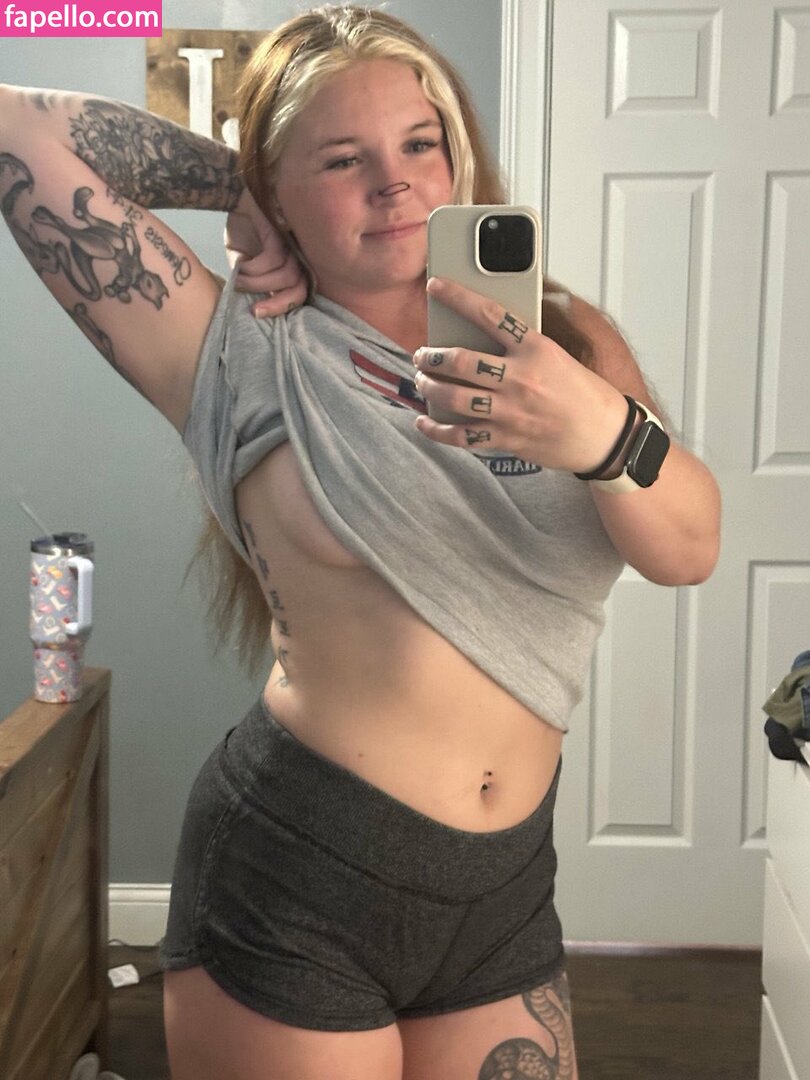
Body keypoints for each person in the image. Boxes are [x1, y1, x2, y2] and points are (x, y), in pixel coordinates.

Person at [0, 6, 721, 1078]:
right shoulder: (232, 349)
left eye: (419, 143)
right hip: (295, 883)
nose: (395, 184)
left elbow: (689, 548)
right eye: (342, 160)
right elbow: (12, 124)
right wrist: (234, 186)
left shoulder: (566, 341)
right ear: (284, 190)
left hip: (503, 897)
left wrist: (602, 433)